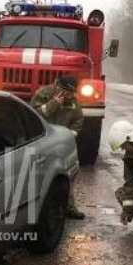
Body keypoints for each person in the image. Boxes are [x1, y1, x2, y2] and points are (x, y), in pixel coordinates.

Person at [31, 74, 85, 219]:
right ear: (57, 85)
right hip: (44, 141)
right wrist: (54, 103)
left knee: (68, 173)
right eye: (66, 92)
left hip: (62, 142)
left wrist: (71, 134)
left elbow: (78, 119)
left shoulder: (73, 101)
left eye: (71, 93)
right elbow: (34, 114)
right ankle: (41, 208)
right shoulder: (43, 94)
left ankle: (69, 207)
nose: (68, 95)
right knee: (45, 175)